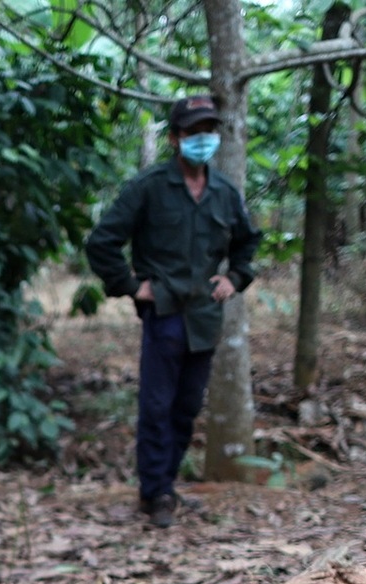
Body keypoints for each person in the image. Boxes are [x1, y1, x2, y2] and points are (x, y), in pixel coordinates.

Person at [86, 95, 260, 528]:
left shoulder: (224, 193)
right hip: (164, 312)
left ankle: (166, 481)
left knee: (186, 406)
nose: (203, 140)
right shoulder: (149, 187)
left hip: (205, 315)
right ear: (175, 139)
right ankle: (156, 491)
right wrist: (131, 286)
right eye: (193, 132)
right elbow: (102, 241)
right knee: (157, 405)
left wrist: (234, 278)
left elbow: (247, 242)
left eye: (209, 131)